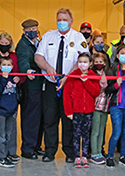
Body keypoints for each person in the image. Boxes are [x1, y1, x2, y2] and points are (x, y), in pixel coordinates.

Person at [35, 8, 88, 163]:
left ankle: (70, 152)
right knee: (50, 119)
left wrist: (69, 76)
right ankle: (49, 151)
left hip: (70, 85)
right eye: (59, 19)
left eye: (65, 20)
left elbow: (83, 59)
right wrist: (47, 67)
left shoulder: (78, 38)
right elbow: (38, 56)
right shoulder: (48, 36)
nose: (61, 22)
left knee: (69, 120)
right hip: (51, 84)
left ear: (71, 21)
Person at [0, 32, 23, 163]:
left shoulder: (15, 57)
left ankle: (11, 152)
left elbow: (20, 74)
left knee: (11, 131)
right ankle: (1, 155)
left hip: (12, 102)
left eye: (7, 44)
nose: (4, 46)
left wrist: (19, 78)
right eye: (2, 43)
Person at [64, 53, 100, 168]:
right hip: (76, 111)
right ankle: (76, 157)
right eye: (80, 62)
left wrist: (86, 81)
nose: (82, 64)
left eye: (85, 62)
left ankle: (84, 156)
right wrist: (69, 111)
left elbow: (96, 92)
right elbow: (66, 95)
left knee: (86, 134)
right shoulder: (73, 76)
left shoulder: (93, 75)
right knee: (76, 134)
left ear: (90, 64)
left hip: (88, 111)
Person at [16, 19, 44, 160]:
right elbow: (23, 60)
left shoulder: (36, 42)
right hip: (30, 86)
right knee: (30, 118)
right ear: (24, 31)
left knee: (38, 118)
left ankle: (36, 146)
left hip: (39, 85)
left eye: (35, 28)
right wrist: (27, 71)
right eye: (30, 29)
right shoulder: (23, 45)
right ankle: (27, 149)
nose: (33, 31)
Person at [0, 57, 19, 168]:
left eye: (9, 64)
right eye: (4, 64)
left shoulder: (14, 78)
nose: (6, 66)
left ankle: (9, 154)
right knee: (0, 135)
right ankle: (1, 157)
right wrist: (3, 79)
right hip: (0, 110)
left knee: (10, 134)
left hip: (12, 109)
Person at [89, 52, 111, 165]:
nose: (99, 64)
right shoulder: (92, 73)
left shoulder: (107, 73)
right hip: (96, 105)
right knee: (95, 130)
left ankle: (100, 152)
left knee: (102, 130)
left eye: (101, 62)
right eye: (96, 62)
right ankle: (94, 153)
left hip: (105, 105)